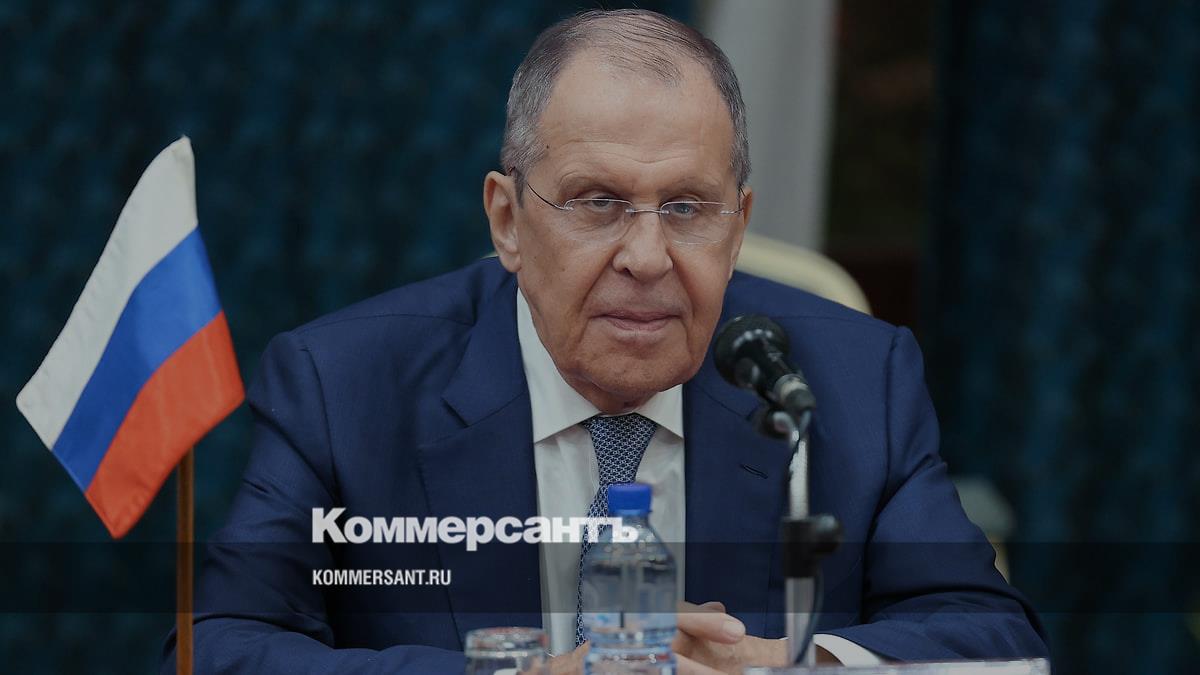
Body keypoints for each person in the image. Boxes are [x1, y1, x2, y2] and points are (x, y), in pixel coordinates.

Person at [164, 9, 1047, 674]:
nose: (647, 257)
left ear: (738, 225)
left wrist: (792, 667)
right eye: (597, 203)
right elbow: (218, 648)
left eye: (688, 207)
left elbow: (998, 642)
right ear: (508, 220)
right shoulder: (343, 384)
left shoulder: (851, 383)